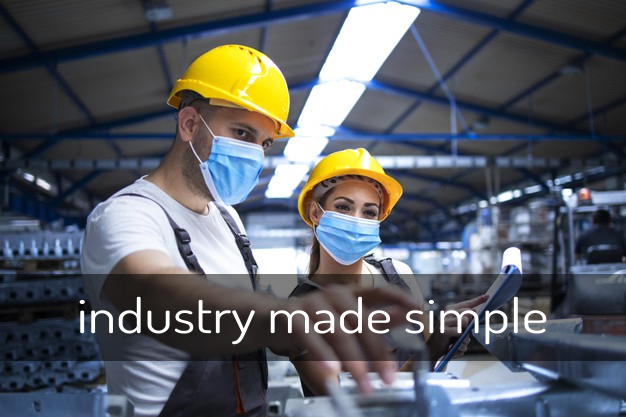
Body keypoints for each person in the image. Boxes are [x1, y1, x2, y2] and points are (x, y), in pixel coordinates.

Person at [81, 45, 421, 417]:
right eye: (242, 133)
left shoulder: (228, 221)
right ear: (190, 124)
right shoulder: (127, 215)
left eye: (264, 143)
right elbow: (156, 293)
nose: (255, 154)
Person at [289, 148, 488, 396]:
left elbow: (428, 355)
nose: (357, 220)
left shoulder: (398, 274)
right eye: (343, 207)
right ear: (316, 213)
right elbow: (351, 403)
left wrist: (447, 340)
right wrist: (432, 350)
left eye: (369, 212)